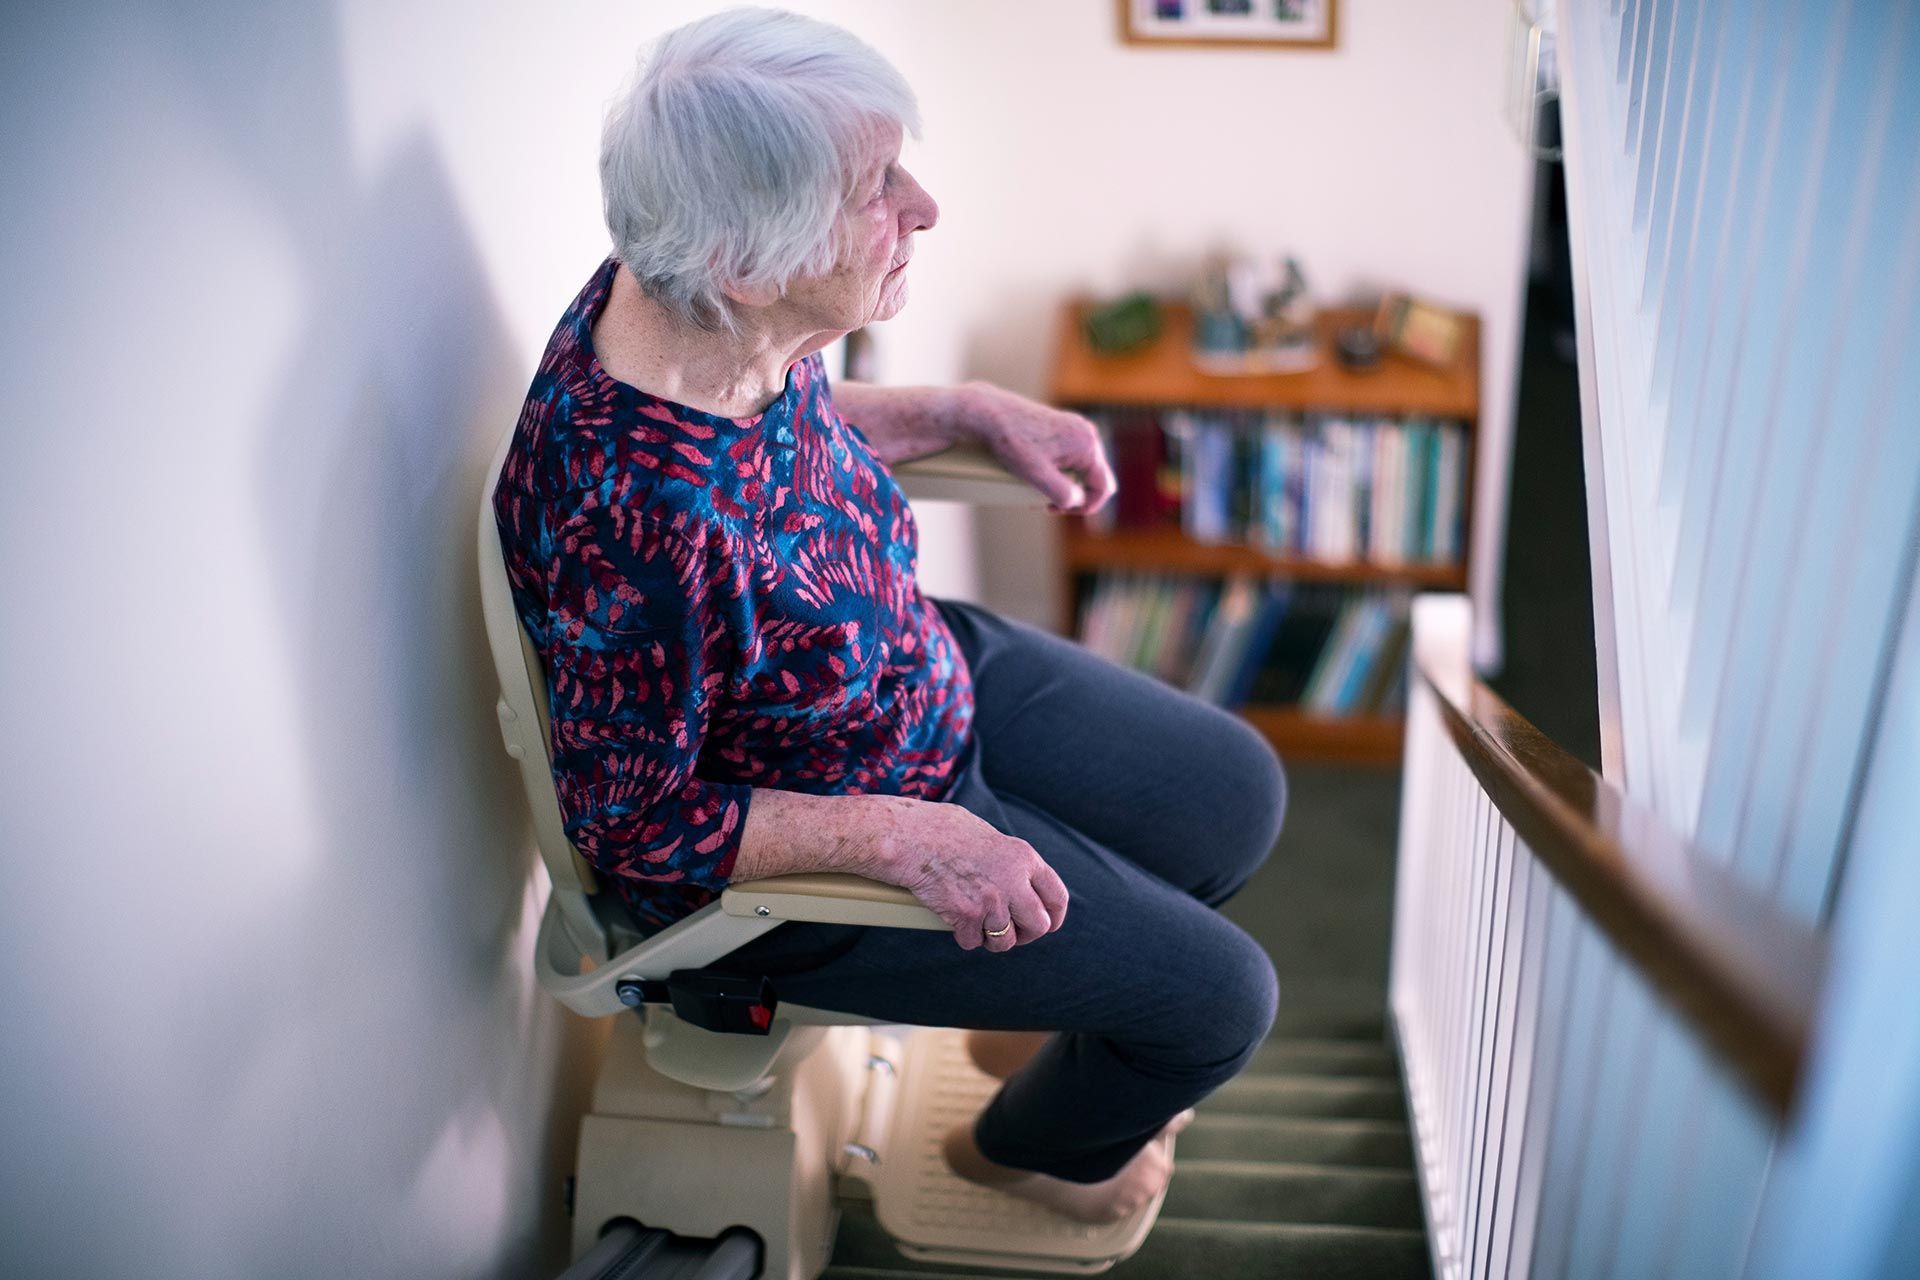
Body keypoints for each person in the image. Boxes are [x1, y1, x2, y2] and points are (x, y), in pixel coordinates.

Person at [494, 6, 1287, 1226]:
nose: (924, 205)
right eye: (878, 188)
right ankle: (1025, 1152)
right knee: (1220, 1001)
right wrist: (908, 841)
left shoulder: (692, 301)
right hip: (820, 844)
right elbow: (632, 823)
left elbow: (774, 437)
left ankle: (1063, 1034)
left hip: (908, 667)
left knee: (1234, 793)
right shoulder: (632, 523)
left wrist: (960, 410)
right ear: (749, 266)